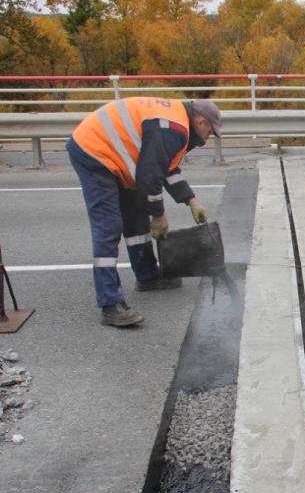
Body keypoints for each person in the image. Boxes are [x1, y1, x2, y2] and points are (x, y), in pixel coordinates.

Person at [67, 97, 221, 327]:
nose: (208, 139)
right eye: (210, 131)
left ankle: (147, 276)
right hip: (95, 152)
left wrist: (191, 200)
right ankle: (110, 304)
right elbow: (150, 178)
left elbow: (165, 168)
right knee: (108, 227)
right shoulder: (174, 129)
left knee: (136, 218)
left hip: (119, 156)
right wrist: (159, 215)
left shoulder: (176, 122)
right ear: (200, 123)